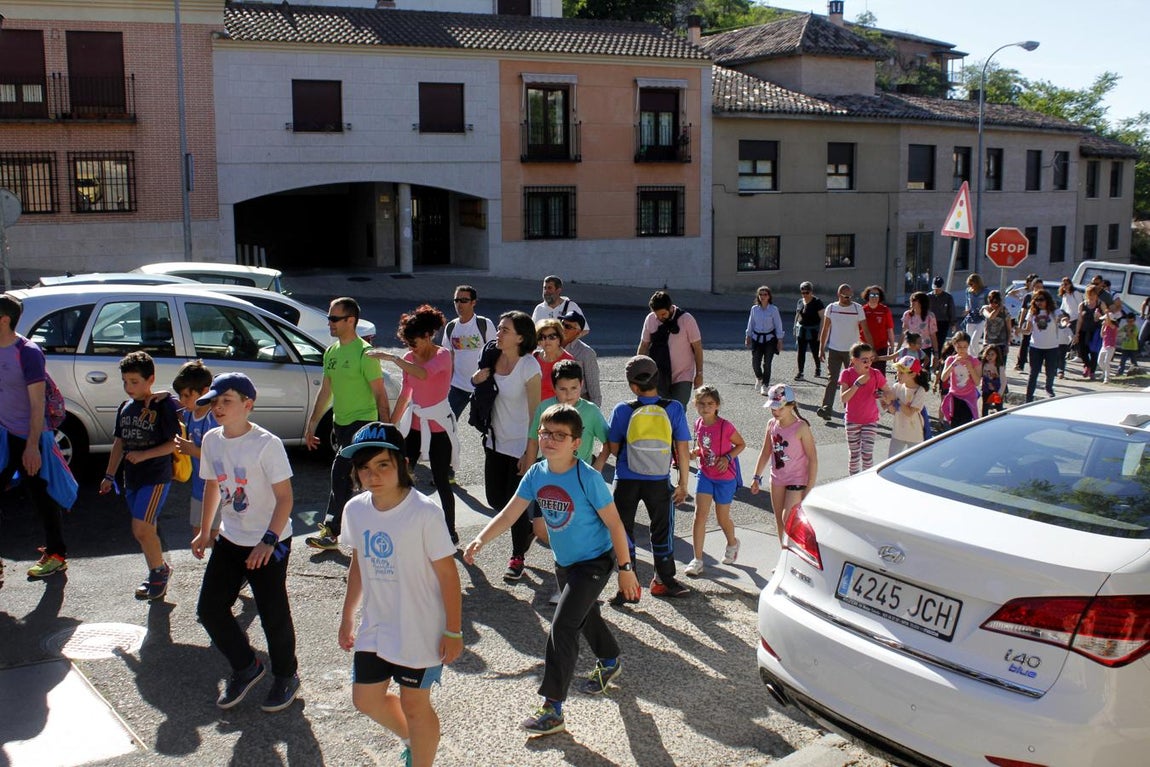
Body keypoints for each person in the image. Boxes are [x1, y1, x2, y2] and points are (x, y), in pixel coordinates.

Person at [464, 404, 640, 737]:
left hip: (594, 561)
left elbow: (616, 525)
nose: (550, 440)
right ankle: (610, 660)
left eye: (560, 435)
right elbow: (511, 513)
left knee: (562, 627)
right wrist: (480, 539)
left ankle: (552, 707)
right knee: (585, 616)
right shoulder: (537, 474)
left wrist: (625, 569)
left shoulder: (587, 477)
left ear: (576, 442)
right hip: (565, 562)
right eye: (546, 433)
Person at [338, 422, 463, 767]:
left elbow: (449, 577)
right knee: (365, 699)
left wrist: (453, 630)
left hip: (420, 628)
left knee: (415, 705)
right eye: (364, 467)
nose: (372, 475)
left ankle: (421, 758)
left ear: (403, 465)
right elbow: (359, 564)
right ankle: (414, 740)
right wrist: (348, 616)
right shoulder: (356, 509)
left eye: (382, 465)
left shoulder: (424, 512)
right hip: (376, 624)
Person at [192, 373, 301, 713]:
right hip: (230, 537)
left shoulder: (267, 444)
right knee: (209, 609)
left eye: (226, 401)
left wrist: (268, 541)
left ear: (248, 405)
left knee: (272, 614)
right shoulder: (212, 440)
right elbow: (212, 486)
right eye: (214, 402)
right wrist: (206, 529)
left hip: (271, 539)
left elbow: (285, 499)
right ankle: (247, 666)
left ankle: (286, 676)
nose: (218, 408)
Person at [305, 297, 391, 551]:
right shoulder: (331, 352)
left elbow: (380, 395)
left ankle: (332, 532)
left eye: (334, 318)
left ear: (350, 320)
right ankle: (379, 523)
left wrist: (386, 431)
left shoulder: (365, 353)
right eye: (329, 318)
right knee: (361, 478)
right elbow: (325, 392)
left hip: (363, 424)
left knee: (339, 472)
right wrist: (312, 425)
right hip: (340, 425)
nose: (329, 323)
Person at [370, 305, 459, 543]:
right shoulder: (409, 358)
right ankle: (402, 525)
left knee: (441, 479)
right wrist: (391, 424)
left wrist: (392, 358)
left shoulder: (442, 355)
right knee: (402, 476)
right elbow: (405, 393)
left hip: (439, 426)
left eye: (414, 342)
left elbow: (423, 374)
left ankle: (450, 530)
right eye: (407, 343)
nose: (411, 348)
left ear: (428, 336)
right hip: (415, 427)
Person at [606, 355, 692, 600]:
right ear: (657, 379)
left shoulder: (623, 410)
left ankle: (628, 586)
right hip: (658, 480)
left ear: (633, 386)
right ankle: (663, 581)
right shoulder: (673, 408)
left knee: (624, 531)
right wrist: (683, 483)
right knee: (662, 530)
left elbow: (613, 447)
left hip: (625, 479)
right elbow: (683, 449)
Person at [98, 351, 179, 601]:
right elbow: (119, 443)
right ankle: (159, 569)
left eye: (134, 381)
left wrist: (145, 455)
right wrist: (109, 475)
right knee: (145, 530)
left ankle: (158, 573)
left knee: (141, 528)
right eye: (125, 381)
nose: (128, 387)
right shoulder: (125, 407)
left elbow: (174, 444)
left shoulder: (162, 404)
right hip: (131, 478)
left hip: (155, 476)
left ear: (150, 379)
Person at [0, 294, 69, 580]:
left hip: (29, 436)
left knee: (42, 496)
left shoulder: (27, 352)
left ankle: (56, 555)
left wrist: (32, 447)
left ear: (4, 320)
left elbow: (37, 403)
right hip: (3, 436)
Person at [472, 311, 541, 582]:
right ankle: (526, 530)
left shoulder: (529, 367)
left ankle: (517, 557)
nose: (498, 334)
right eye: (499, 328)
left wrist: (530, 453)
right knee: (495, 500)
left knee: (516, 504)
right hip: (494, 441)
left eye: (505, 330)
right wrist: (476, 380)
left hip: (519, 447)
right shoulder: (491, 355)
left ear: (521, 337)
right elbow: (480, 387)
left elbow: (537, 415)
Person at [684, 386, 745, 577]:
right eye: (701, 403)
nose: (705, 407)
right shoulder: (698, 424)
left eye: (710, 403)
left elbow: (741, 444)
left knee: (722, 518)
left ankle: (732, 542)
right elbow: (703, 447)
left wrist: (727, 458)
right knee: (699, 515)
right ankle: (697, 560)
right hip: (705, 474)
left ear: (717, 405)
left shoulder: (725, 426)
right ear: (695, 405)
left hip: (725, 478)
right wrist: (695, 453)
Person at [750, 384, 816, 542]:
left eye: (780, 408)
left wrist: (809, 488)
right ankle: (784, 557)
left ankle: (799, 553)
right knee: (779, 520)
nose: (775, 412)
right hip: (777, 478)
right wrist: (756, 476)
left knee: (789, 519)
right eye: (773, 408)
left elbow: (813, 458)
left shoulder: (801, 427)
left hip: (797, 479)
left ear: (791, 405)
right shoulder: (772, 424)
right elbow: (766, 451)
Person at [173, 360, 220, 542]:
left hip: (218, 489)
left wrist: (192, 450)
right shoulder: (188, 413)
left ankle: (221, 570)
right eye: (180, 395)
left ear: (205, 391)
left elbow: (220, 457)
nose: (182, 401)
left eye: (186, 395)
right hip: (198, 488)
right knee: (198, 532)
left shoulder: (213, 418)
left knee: (216, 536)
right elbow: (171, 404)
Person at [638, 291, 703, 408]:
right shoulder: (650, 319)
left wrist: (699, 374)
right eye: (656, 315)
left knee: (677, 409)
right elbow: (644, 346)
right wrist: (638, 370)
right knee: (660, 411)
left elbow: (697, 349)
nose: (659, 318)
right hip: (658, 375)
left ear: (670, 308)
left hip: (683, 375)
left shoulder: (686, 320)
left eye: (663, 314)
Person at [817, 284, 870, 420]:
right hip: (834, 349)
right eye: (846, 296)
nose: (849, 299)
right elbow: (825, 329)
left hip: (853, 352)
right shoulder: (832, 308)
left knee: (852, 381)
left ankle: (852, 410)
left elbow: (865, 329)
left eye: (851, 296)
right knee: (832, 379)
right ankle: (826, 408)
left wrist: (870, 349)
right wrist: (821, 348)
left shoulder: (857, 308)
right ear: (839, 295)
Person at [442, 285, 495, 420]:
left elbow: (496, 353)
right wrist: (446, 384)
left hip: (481, 386)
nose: (459, 304)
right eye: (456, 300)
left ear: (473, 302)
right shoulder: (451, 327)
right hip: (458, 386)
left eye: (464, 300)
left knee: (487, 425)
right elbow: (449, 357)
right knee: (447, 423)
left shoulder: (484, 324)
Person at [838, 343, 888, 475]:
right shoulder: (847, 374)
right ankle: (853, 481)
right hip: (852, 420)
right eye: (865, 360)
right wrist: (857, 384)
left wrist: (883, 396)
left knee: (867, 455)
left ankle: (867, 482)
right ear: (854, 360)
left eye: (871, 359)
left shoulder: (876, 374)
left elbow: (889, 392)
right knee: (854, 455)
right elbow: (843, 398)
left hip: (870, 420)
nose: (869, 363)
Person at [883, 356, 930, 457]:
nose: (897, 375)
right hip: (898, 432)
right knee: (891, 461)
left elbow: (909, 413)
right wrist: (888, 402)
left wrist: (896, 400)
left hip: (915, 435)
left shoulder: (920, 390)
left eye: (901, 372)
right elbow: (893, 411)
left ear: (913, 374)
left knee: (915, 464)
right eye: (897, 371)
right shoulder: (897, 387)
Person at [745, 286, 785, 395]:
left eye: (765, 294)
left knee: (767, 363)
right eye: (761, 294)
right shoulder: (754, 309)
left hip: (769, 340)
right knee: (755, 362)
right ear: (758, 296)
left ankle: (765, 385)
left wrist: (779, 340)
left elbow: (778, 325)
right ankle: (759, 377)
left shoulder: (773, 309)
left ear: (769, 296)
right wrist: (748, 336)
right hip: (757, 339)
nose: (763, 296)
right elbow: (751, 323)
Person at [557, 309, 601, 406]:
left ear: (578, 332)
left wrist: (593, 414)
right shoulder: (553, 345)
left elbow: (594, 389)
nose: (563, 328)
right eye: (562, 324)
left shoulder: (586, 353)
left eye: (568, 326)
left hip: (578, 404)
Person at [1023, 289, 1060, 402]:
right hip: (1035, 347)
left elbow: (1063, 317)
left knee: (1050, 371)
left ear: (1047, 300)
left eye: (1041, 300)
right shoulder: (1032, 312)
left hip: (1051, 347)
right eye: (1037, 300)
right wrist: (1019, 330)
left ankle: (1049, 388)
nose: (1039, 302)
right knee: (1033, 373)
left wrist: (1064, 321)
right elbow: (1028, 330)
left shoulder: (1054, 312)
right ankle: (1029, 397)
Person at [940, 332, 981, 428]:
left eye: (965, 347)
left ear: (968, 346)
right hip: (955, 396)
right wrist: (953, 364)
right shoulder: (950, 360)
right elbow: (943, 378)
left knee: (966, 425)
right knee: (954, 424)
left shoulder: (974, 361)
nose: (962, 350)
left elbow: (977, 382)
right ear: (954, 346)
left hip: (969, 397)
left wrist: (970, 368)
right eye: (959, 347)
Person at [533, 319, 574, 401]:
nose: (546, 341)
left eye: (552, 337)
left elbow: (571, 394)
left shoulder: (568, 361)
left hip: (556, 411)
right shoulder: (534, 357)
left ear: (559, 338)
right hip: (535, 411)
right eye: (542, 337)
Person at [861, 286, 896, 375]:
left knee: (879, 374)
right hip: (865, 347)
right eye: (872, 294)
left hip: (881, 347)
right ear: (867, 296)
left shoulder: (885, 310)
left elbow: (890, 329)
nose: (874, 297)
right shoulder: (862, 310)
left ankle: (879, 389)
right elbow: (856, 330)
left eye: (877, 294)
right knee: (865, 373)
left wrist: (892, 347)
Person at [793, 281, 825, 380]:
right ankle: (800, 372)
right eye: (803, 293)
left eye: (807, 292)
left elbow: (823, 318)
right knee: (801, 352)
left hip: (814, 330)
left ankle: (818, 368)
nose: (805, 295)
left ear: (811, 292)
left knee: (815, 351)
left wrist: (821, 332)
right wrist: (795, 328)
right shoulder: (800, 301)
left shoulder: (817, 302)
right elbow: (797, 315)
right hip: (802, 330)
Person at [901, 292, 939, 370]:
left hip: (925, 349)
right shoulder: (907, 315)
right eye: (911, 300)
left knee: (923, 373)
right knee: (909, 372)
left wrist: (936, 354)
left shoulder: (930, 316)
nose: (912, 302)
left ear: (922, 302)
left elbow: (933, 335)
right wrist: (898, 350)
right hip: (910, 349)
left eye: (914, 300)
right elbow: (903, 333)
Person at [1013, 274, 1041, 372]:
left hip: (1040, 324)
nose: (1039, 289)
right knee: (1024, 343)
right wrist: (1020, 324)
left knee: (1037, 345)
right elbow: (1024, 311)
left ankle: (1037, 365)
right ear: (1033, 287)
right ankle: (1020, 364)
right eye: (1037, 287)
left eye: (1041, 287)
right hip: (1028, 322)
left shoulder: (1045, 297)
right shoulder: (1028, 297)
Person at [980, 290, 1014, 368]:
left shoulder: (1005, 311)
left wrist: (1008, 343)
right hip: (988, 341)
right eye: (992, 302)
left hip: (1001, 342)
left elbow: (1009, 328)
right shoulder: (986, 308)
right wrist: (998, 309)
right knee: (986, 365)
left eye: (996, 302)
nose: (994, 304)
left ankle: (1000, 380)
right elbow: (991, 317)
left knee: (1000, 367)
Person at [1077, 285, 1102, 380]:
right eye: (1089, 294)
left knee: (1093, 352)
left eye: (1093, 294)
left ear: (1096, 295)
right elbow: (1079, 320)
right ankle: (1087, 365)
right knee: (1082, 351)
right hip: (1083, 330)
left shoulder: (1100, 304)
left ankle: (1092, 372)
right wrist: (1077, 333)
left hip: (1095, 331)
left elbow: (1106, 317)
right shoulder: (1082, 305)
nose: (1091, 296)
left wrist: (1099, 316)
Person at [962, 274, 990, 352]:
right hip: (970, 317)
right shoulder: (968, 291)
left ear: (977, 283)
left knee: (974, 340)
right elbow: (967, 303)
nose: (970, 286)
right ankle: (972, 358)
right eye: (969, 284)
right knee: (969, 341)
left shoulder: (986, 292)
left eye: (971, 284)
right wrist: (967, 309)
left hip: (981, 318)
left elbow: (989, 304)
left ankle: (977, 358)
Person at [929, 277, 956, 353]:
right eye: (936, 288)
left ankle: (938, 360)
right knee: (930, 343)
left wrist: (953, 323)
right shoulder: (928, 296)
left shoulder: (948, 297)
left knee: (940, 342)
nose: (937, 290)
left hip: (943, 322)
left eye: (939, 288)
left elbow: (951, 310)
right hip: (930, 322)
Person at [979, 346, 1005, 417]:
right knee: (985, 407)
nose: (990, 356)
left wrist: (999, 394)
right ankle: (983, 421)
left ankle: (1002, 420)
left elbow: (1003, 381)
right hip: (986, 390)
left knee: (999, 408)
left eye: (992, 354)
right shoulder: (983, 365)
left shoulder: (999, 366)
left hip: (996, 390)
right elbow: (979, 375)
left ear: (997, 355)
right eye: (988, 354)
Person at [1098, 305, 1120, 384]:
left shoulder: (1113, 326)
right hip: (1104, 346)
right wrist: (1103, 327)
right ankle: (1105, 372)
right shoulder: (1105, 326)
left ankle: (1107, 378)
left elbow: (1109, 322)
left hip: (1111, 346)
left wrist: (1107, 314)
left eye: (1105, 320)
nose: (1104, 321)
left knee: (1107, 362)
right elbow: (1102, 335)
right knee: (1100, 362)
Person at [1116, 312, 1140, 376]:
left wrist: (1128, 331)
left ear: (1134, 320)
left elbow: (1133, 336)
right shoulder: (1125, 327)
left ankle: (1135, 371)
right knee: (1122, 361)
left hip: (1133, 348)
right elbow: (1119, 332)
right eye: (1128, 321)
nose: (1129, 323)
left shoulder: (1135, 328)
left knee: (1133, 362)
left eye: (1131, 321)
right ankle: (1120, 372)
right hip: (1125, 347)